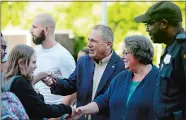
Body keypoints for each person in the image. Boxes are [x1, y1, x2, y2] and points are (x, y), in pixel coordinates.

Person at [43, 25, 125, 120]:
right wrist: (55, 83)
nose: (89, 44)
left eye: (93, 41)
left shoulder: (121, 67)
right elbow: (70, 85)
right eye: (89, 40)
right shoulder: (83, 62)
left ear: (108, 44)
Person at [70, 35, 158, 120]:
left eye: (126, 53)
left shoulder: (159, 80)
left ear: (139, 54)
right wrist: (82, 110)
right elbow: (104, 101)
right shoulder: (121, 78)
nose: (122, 57)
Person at [134, 1, 186, 120]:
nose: (147, 29)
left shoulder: (183, 48)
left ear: (163, 24)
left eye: (150, 24)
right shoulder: (171, 48)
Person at [3, 44, 75, 120]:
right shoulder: (20, 83)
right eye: (33, 62)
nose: (36, 66)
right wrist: (67, 108)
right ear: (21, 63)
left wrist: (42, 75)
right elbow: (43, 110)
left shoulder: (10, 81)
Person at [30, 13, 76, 106]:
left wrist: (57, 117)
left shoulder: (63, 56)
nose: (30, 31)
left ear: (46, 30)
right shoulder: (34, 52)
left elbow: (73, 90)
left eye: (34, 27)